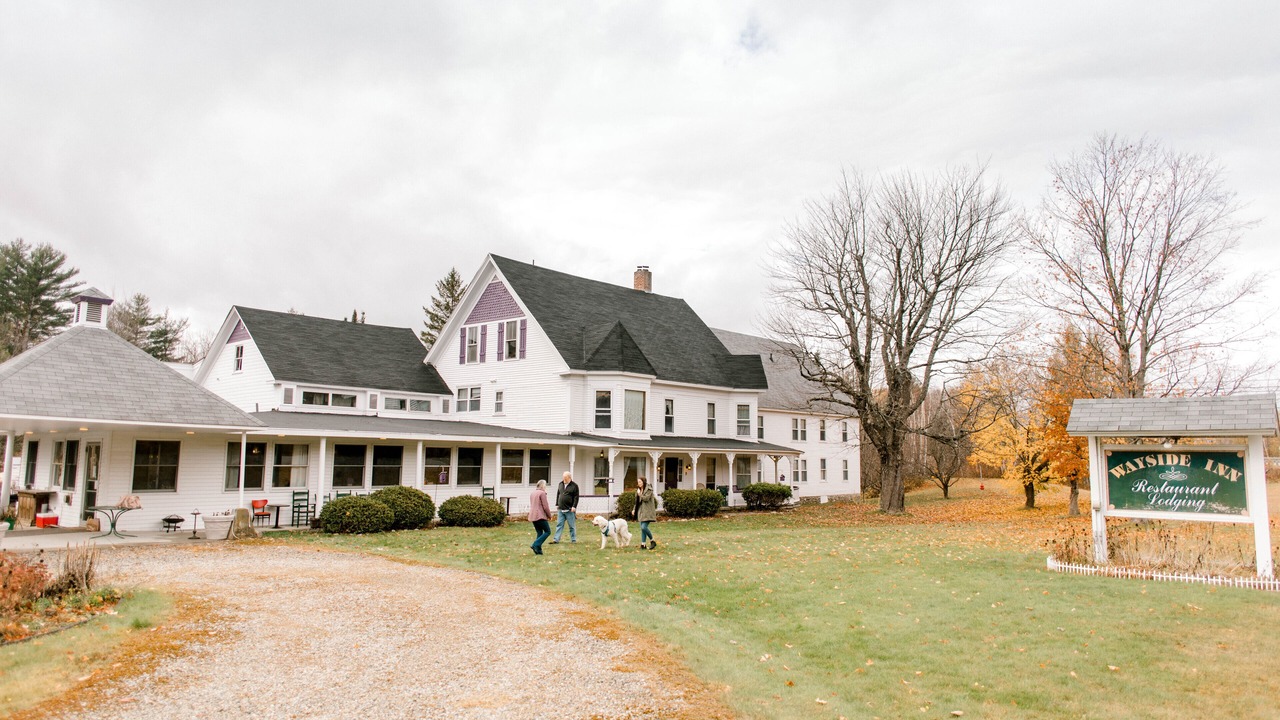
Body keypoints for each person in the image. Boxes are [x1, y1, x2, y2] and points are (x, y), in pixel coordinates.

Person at [551, 471, 579, 543]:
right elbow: (558, 494)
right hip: (561, 509)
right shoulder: (560, 484)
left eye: (565, 478)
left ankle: (573, 540)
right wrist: (557, 504)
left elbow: (576, 497)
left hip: (569, 509)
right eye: (563, 478)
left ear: (569, 478)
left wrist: (574, 506)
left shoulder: (574, 486)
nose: (564, 479)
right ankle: (556, 539)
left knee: (571, 526)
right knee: (559, 524)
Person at [528, 479, 552, 555]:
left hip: (533, 516)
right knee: (548, 531)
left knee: (540, 532)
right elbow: (545, 506)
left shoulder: (533, 493)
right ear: (543, 486)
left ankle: (538, 550)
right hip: (540, 516)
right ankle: (535, 544)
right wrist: (549, 515)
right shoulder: (542, 493)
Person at [635, 476, 657, 550]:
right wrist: (634, 509)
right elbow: (637, 502)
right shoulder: (639, 490)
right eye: (638, 482)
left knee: (644, 527)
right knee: (643, 529)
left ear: (643, 482)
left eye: (640, 482)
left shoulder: (649, 489)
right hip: (641, 512)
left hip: (648, 512)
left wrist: (640, 494)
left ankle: (652, 540)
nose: (638, 483)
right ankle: (643, 544)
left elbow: (646, 498)